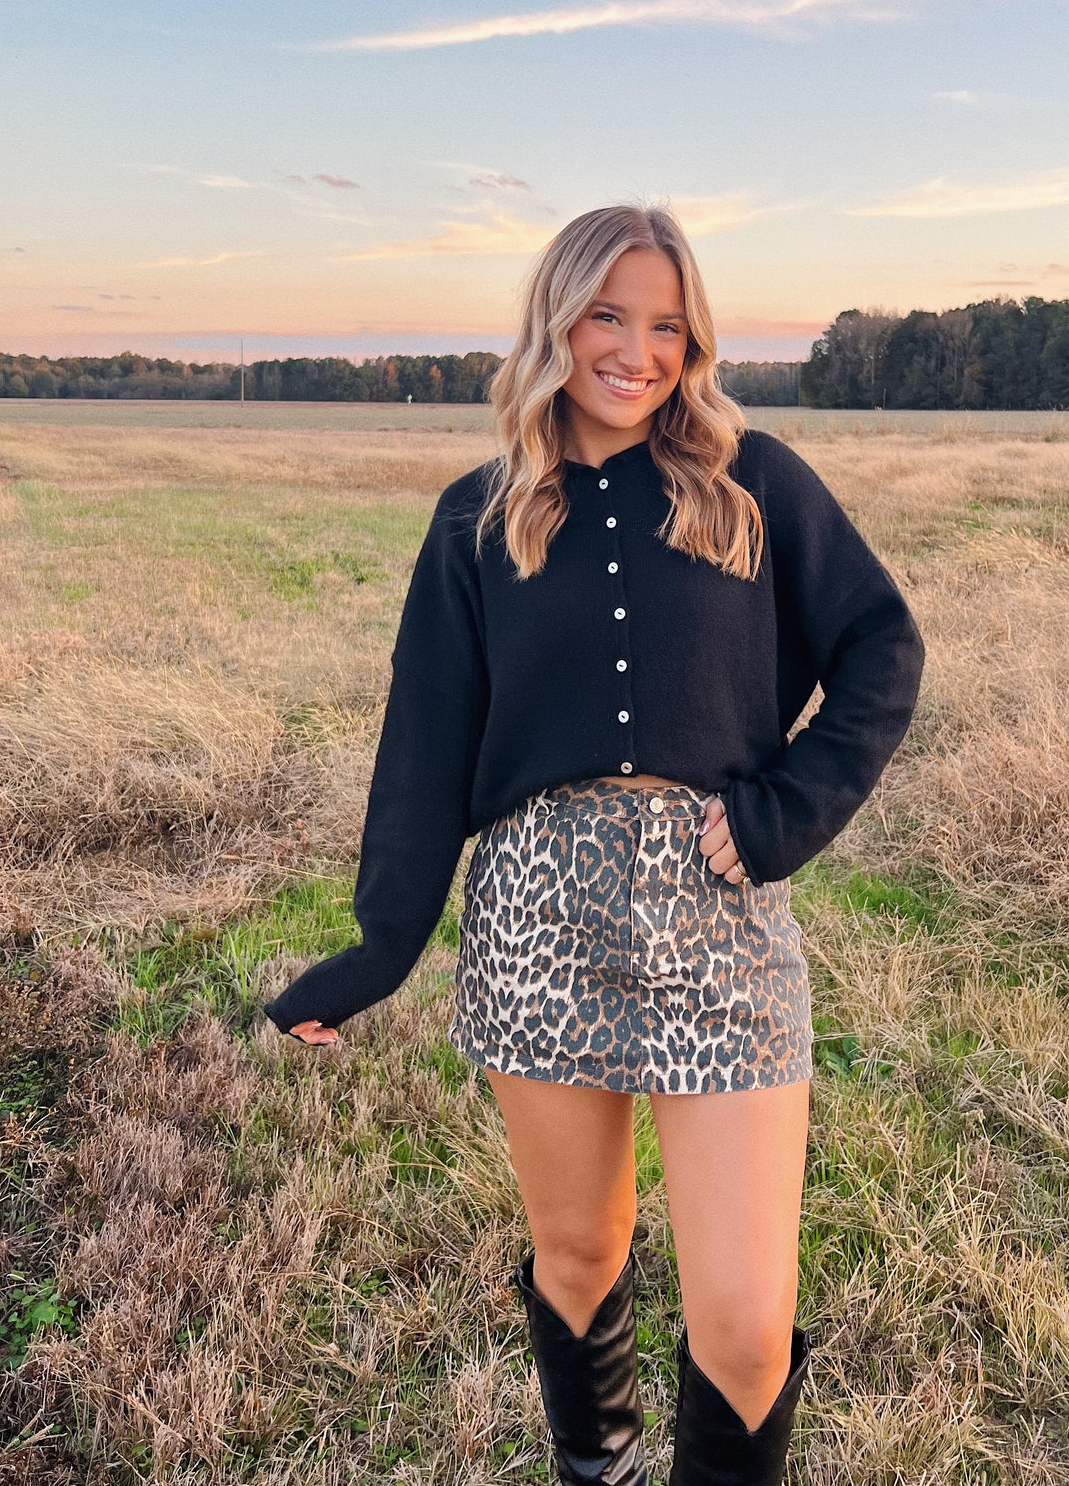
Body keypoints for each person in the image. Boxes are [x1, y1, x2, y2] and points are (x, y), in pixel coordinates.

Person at [263, 203, 924, 1486]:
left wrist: (780, 814)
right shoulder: (477, 518)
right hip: (535, 920)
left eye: (666, 323)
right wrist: (371, 952)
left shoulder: (754, 483)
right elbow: (423, 749)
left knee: (741, 1322)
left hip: (717, 922)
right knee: (579, 1254)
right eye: (609, 315)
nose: (637, 350)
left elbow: (880, 651)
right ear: (555, 319)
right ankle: (599, 1470)